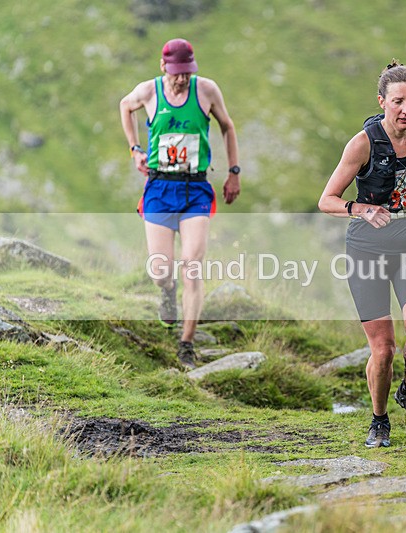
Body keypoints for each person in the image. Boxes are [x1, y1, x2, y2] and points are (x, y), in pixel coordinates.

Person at [319, 60, 406, 448]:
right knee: (383, 351)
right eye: (398, 101)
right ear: (382, 102)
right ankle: (379, 420)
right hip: (367, 250)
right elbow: (327, 200)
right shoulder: (362, 143)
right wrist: (360, 209)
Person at [119, 38, 241, 370]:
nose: (182, 79)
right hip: (159, 187)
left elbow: (228, 126)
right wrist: (135, 149)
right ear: (164, 67)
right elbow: (124, 106)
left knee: (192, 265)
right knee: (160, 270)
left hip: (195, 189)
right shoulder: (148, 91)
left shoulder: (207, 90)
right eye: (176, 73)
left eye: (187, 72)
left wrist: (233, 172)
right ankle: (167, 291)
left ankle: (186, 343)